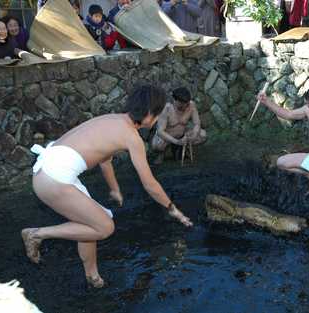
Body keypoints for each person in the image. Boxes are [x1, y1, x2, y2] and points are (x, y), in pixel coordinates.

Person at [21, 84, 193, 289]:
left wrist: (114, 189)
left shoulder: (114, 119)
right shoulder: (132, 138)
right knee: (104, 227)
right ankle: (37, 234)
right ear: (148, 114)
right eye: (156, 115)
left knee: (88, 225)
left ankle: (93, 277)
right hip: (54, 178)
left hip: (49, 170)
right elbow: (150, 184)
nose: (156, 120)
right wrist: (173, 210)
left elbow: (105, 160)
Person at [151, 87, 206, 164]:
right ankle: (162, 154)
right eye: (183, 104)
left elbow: (197, 123)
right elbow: (160, 131)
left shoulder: (191, 105)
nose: (186, 106)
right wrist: (176, 141)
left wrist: (194, 134)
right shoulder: (167, 108)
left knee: (202, 134)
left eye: (187, 103)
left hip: (183, 134)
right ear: (176, 101)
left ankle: (182, 149)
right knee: (156, 144)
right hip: (169, 135)